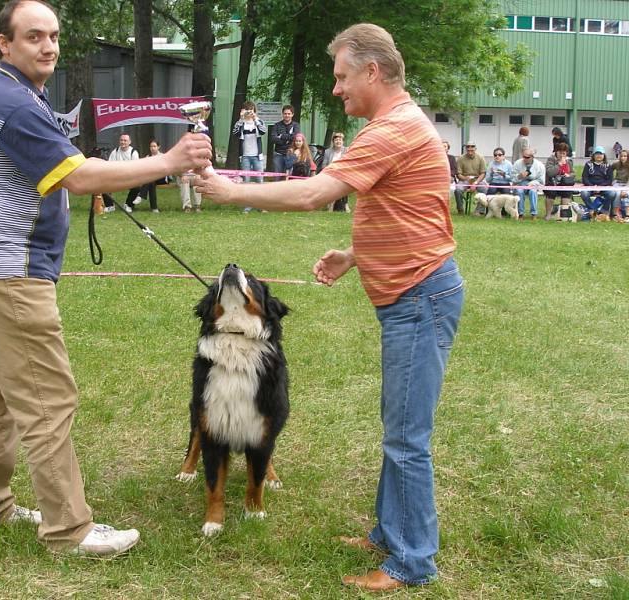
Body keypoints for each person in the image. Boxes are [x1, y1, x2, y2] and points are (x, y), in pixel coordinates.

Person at [195, 22, 463, 592]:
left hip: (420, 298)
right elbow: (412, 212)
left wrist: (230, 190)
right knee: (399, 431)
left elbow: (316, 193)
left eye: (342, 76)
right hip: (412, 295)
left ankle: (412, 561)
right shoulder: (397, 126)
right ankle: (389, 534)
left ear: (372, 71)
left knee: (406, 438)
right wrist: (354, 253)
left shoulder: (391, 129)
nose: (337, 89)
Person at [0, 0, 211, 557]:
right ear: (4, 43)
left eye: (54, 36)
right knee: (47, 399)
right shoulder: (14, 102)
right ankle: (69, 530)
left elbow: (63, 171)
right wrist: (171, 160)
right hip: (7, 273)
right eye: (34, 36)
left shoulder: (14, 94)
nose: (48, 46)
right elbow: (82, 176)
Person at [232, 100, 266, 183]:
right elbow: (236, 133)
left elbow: (263, 131)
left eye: (251, 110)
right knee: (246, 180)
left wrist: (255, 120)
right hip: (245, 156)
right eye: (247, 110)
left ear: (254, 111)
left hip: (257, 156)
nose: (249, 112)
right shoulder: (240, 123)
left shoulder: (259, 121)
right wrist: (241, 119)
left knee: (259, 180)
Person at [107, 133, 142, 213]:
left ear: (129, 142)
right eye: (121, 140)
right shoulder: (115, 151)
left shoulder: (133, 152)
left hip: (129, 178)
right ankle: (110, 205)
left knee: (137, 187)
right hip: (116, 177)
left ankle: (128, 205)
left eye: (125, 140)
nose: (123, 142)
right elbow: (109, 166)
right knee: (102, 185)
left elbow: (135, 168)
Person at [580, 146, 616, 220]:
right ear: (593, 155)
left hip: (603, 187)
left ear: (604, 155)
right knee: (584, 193)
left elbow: (610, 180)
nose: (599, 155)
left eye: (601, 154)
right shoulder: (588, 164)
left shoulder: (608, 165)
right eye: (597, 154)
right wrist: (592, 186)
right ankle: (592, 210)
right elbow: (584, 178)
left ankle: (603, 211)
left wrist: (600, 187)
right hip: (590, 187)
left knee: (612, 193)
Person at [512, 147, 545, 220]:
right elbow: (512, 178)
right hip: (520, 183)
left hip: (534, 184)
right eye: (523, 156)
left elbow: (541, 180)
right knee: (519, 191)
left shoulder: (539, 165)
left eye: (527, 157)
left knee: (532, 192)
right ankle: (521, 214)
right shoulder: (517, 163)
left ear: (532, 157)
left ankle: (534, 214)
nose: (525, 159)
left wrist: (533, 183)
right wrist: (519, 176)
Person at [544, 142, 574, 220]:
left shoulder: (569, 161)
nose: (562, 155)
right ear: (556, 152)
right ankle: (548, 214)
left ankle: (563, 215)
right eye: (560, 153)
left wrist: (569, 175)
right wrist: (559, 164)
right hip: (552, 183)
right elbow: (549, 172)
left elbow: (573, 173)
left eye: (564, 153)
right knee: (551, 193)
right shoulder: (551, 159)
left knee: (567, 193)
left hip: (564, 183)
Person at [134, 138, 166, 212]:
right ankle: (154, 208)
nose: (152, 148)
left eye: (154, 146)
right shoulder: (148, 157)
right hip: (152, 178)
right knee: (151, 182)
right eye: (151, 146)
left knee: (151, 179)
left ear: (158, 147)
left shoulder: (162, 156)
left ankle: (141, 196)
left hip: (162, 178)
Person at [322, 132, 349, 212]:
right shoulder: (328, 151)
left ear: (343, 141)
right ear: (333, 142)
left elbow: (349, 163)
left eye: (340, 140)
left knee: (343, 181)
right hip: (331, 173)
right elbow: (324, 165)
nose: (338, 141)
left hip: (343, 173)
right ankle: (331, 204)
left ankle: (345, 204)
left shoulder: (347, 150)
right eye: (336, 140)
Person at [270, 105, 300, 178]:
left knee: (289, 177)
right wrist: (286, 140)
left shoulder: (296, 125)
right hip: (278, 154)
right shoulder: (276, 125)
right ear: (282, 114)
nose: (287, 115)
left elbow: (295, 136)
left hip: (291, 154)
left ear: (292, 114)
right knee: (277, 177)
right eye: (285, 113)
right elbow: (273, 138)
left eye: (289, 114)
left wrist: (281, 136)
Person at [457, 141, 487, 213]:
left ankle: (479, 211)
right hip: (464, 179)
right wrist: (465, 178)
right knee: (458, 190)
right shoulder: (460, 158)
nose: (470, 152)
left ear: (475, 149)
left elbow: (483, 173)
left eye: (472, 150)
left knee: (484, 188)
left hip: (477, 179)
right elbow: (458, 174)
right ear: (466, 150)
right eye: (468, 150)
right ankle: (460, 209)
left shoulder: (481, 158)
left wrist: (475, 182)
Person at [442, 140, 463, 214]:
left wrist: (449, 175)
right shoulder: (435, 158)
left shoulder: (452, 158)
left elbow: (455, 170)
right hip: (438, 180)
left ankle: (445, 208)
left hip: (449, 179)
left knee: (450, 190)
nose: (442, 148)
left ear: (448, 148)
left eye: (445, 146)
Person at [611, 149, 629, 222]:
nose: (623, 158)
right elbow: (609, 170)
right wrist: (611, 180)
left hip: (627, 184)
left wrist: (624, 190)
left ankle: (627, 215)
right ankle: (615, 214)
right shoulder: (616, 164)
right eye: (621, 156)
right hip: (617, 182)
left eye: (625, 156)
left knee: (627, 194)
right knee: (617, 194)